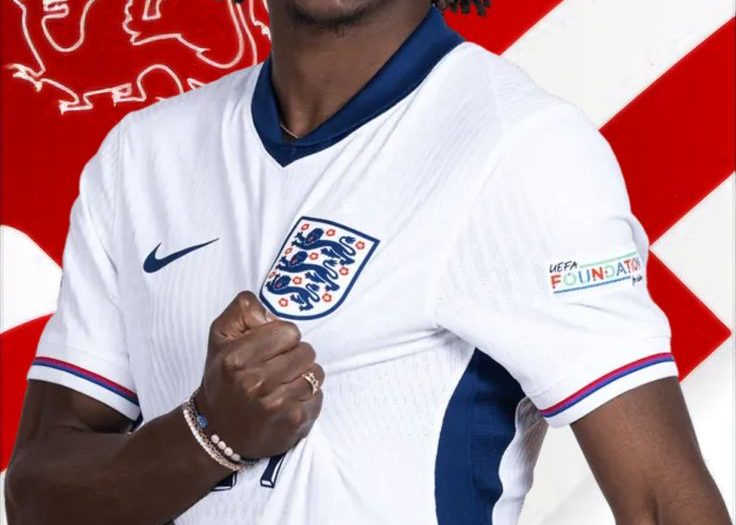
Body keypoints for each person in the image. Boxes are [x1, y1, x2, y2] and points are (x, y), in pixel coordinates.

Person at [5, 0, 731, 524]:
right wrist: (207, 435)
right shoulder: (141, 156)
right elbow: (35, 495)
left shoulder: (521, 148)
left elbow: (661, 499)